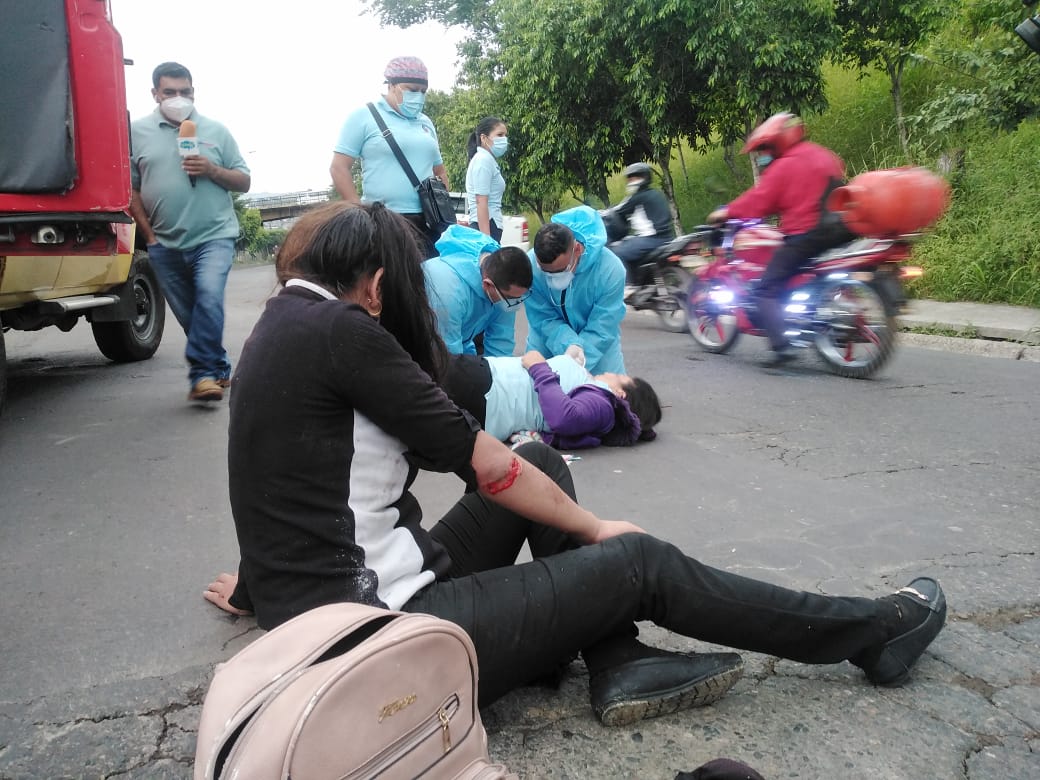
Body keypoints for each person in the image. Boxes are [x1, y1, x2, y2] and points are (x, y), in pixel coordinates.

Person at [204, 200, 947, 729]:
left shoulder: (281, 326)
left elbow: (281, 472)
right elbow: (490, 469)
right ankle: (870, 634)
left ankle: (616, 657)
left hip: (337, 608)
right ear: (375, 286)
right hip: (383, 640)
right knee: (634, 559)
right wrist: (597, 531)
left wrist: (268, 579)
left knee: (543, 461)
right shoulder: (347, 332)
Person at [129, 61, 251, 403]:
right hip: (164, 242)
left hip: (215, 235)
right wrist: (148, 235)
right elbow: (131, 188)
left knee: (209, 297)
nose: (178, 98)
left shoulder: (215, 130)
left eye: (185, 92)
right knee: (190, 315)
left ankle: (203, 376)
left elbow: (244, 180)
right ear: (155, 94)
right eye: (170, 92)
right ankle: (218, 365)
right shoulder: (136, 132)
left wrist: (211, 168)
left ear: (194, 92)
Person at [707, 113, 855, 367]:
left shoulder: (784, 166)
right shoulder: (823, 155)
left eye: (765, 148)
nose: (763, 154)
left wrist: (727, 211)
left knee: (766, 289)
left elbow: (760, 200)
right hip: (842, 230)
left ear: (777, 143)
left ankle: (782, 347)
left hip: (808, 234)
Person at [330, 56, 449, 259]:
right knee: (392, 284)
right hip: (385, 220)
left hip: (430, 220)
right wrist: (361, 213)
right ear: (392, 85)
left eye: (423, 91)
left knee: (429, 282)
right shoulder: (364, 116)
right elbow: (339, 168)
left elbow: (439, 170)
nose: (418, 96)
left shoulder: (425, 122)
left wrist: (443, 207)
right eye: (412, 90)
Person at [441, 350, 661, 447]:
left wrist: (540, 368)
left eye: (620, 376)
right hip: (490, 393)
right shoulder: (598, 404)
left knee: (416, 366)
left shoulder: (604, 404)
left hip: (490, 389)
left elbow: (565, 418)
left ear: (621, 393)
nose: (613, 372)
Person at [525, 205, 627, 375]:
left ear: (577, 249)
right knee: (538, 394)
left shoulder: (610, 270)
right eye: (546, 272)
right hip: (546, 342)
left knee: (607, 397)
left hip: (598, 349)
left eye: (559, 271)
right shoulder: (531, 266)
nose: (552, 278)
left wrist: (579, 356)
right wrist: (569, 343)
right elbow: (542, 317)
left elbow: (603, 324)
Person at [423, 225, 532, 357]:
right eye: (510, 298)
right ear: (487, 285)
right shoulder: (449, 294)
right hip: (417, 345)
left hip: (459, 342)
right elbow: (448, 359)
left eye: (520, 298)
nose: (516, 304)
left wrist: (497, 374)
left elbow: (501, 344)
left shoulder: (504, 288)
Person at [606, 163, 676, 290]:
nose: (631, 180)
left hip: (650, 239)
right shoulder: (657, 193)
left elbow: (617, 210)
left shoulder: (637, 197)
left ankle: (628, 286)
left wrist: (600, 213)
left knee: (615, 252)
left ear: (644, 177)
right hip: (667, 237)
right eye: (630, 178)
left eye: (635, 177)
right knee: (629, 242)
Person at [465, 116, 509, 241]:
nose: (504, 139)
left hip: (491, 223)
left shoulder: (487, 160)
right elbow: (481, 202)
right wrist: (486, 239)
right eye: (500, 135)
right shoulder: (482, 161)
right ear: (484, 138)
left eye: (505, 135)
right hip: (486, 225)